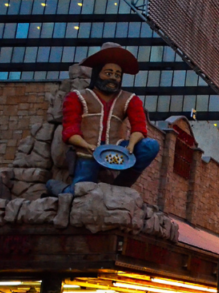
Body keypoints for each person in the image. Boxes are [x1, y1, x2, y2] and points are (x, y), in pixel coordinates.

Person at [46, 43, 160, 195]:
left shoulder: (130, 99)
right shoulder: (77, 97)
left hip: (117, 149)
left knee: (150, 146)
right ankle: (60, 188)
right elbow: (70, 130)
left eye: (117, 75)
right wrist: (86, 146)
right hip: (88, 151)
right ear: (97, 73)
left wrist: (131, 145)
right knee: (79, 192)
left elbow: (139, 127)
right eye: (108, 73)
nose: (113, 78)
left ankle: (120, 186)